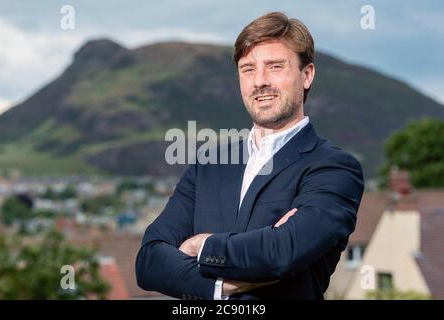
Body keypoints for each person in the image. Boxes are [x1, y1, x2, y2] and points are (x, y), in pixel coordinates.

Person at [135, 11, 364, 300]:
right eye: (248, 69)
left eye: (275, 67)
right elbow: (149, 261)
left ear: (306, 75)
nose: (260, 81)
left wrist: (201, 246)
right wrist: (218, 286)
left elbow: (283, 252)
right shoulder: (209, 165)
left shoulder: (334, 169)